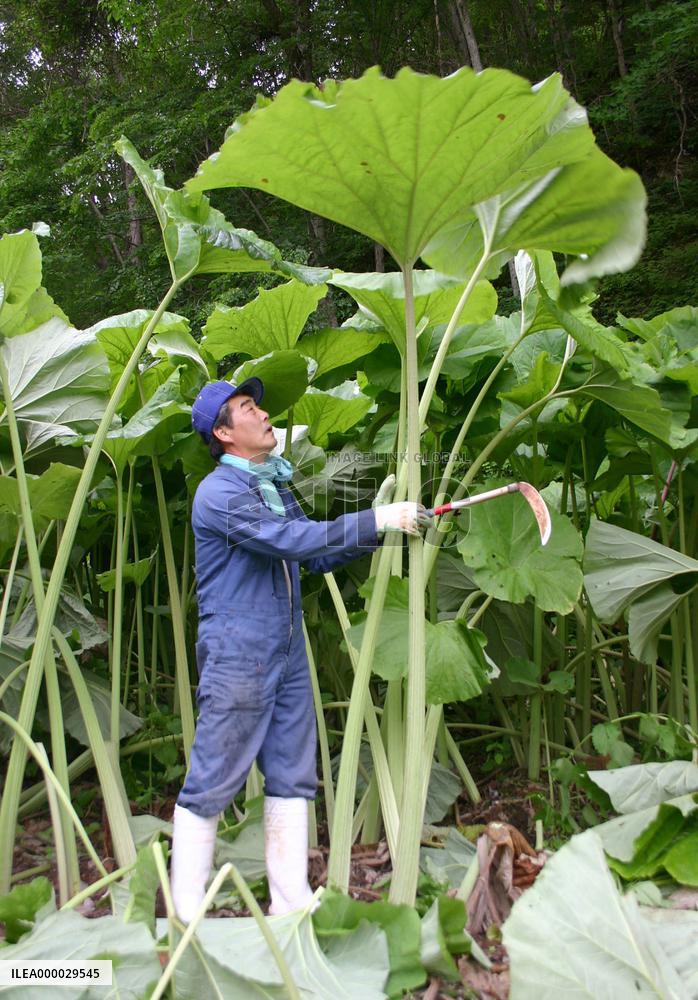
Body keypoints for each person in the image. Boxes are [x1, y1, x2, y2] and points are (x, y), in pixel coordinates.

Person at [170, 378, 430, 921]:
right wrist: (376, 518)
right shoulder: (219, 493)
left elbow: (312, 556)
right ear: (223, 432)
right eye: (248, 408)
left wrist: (385, 528)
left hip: (286, 646)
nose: (263, 413)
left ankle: (288, 903)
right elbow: (287, 541)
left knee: (291, 771)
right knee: (214, 774)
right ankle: (184, 915)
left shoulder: (271, 483)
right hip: (239, 648)